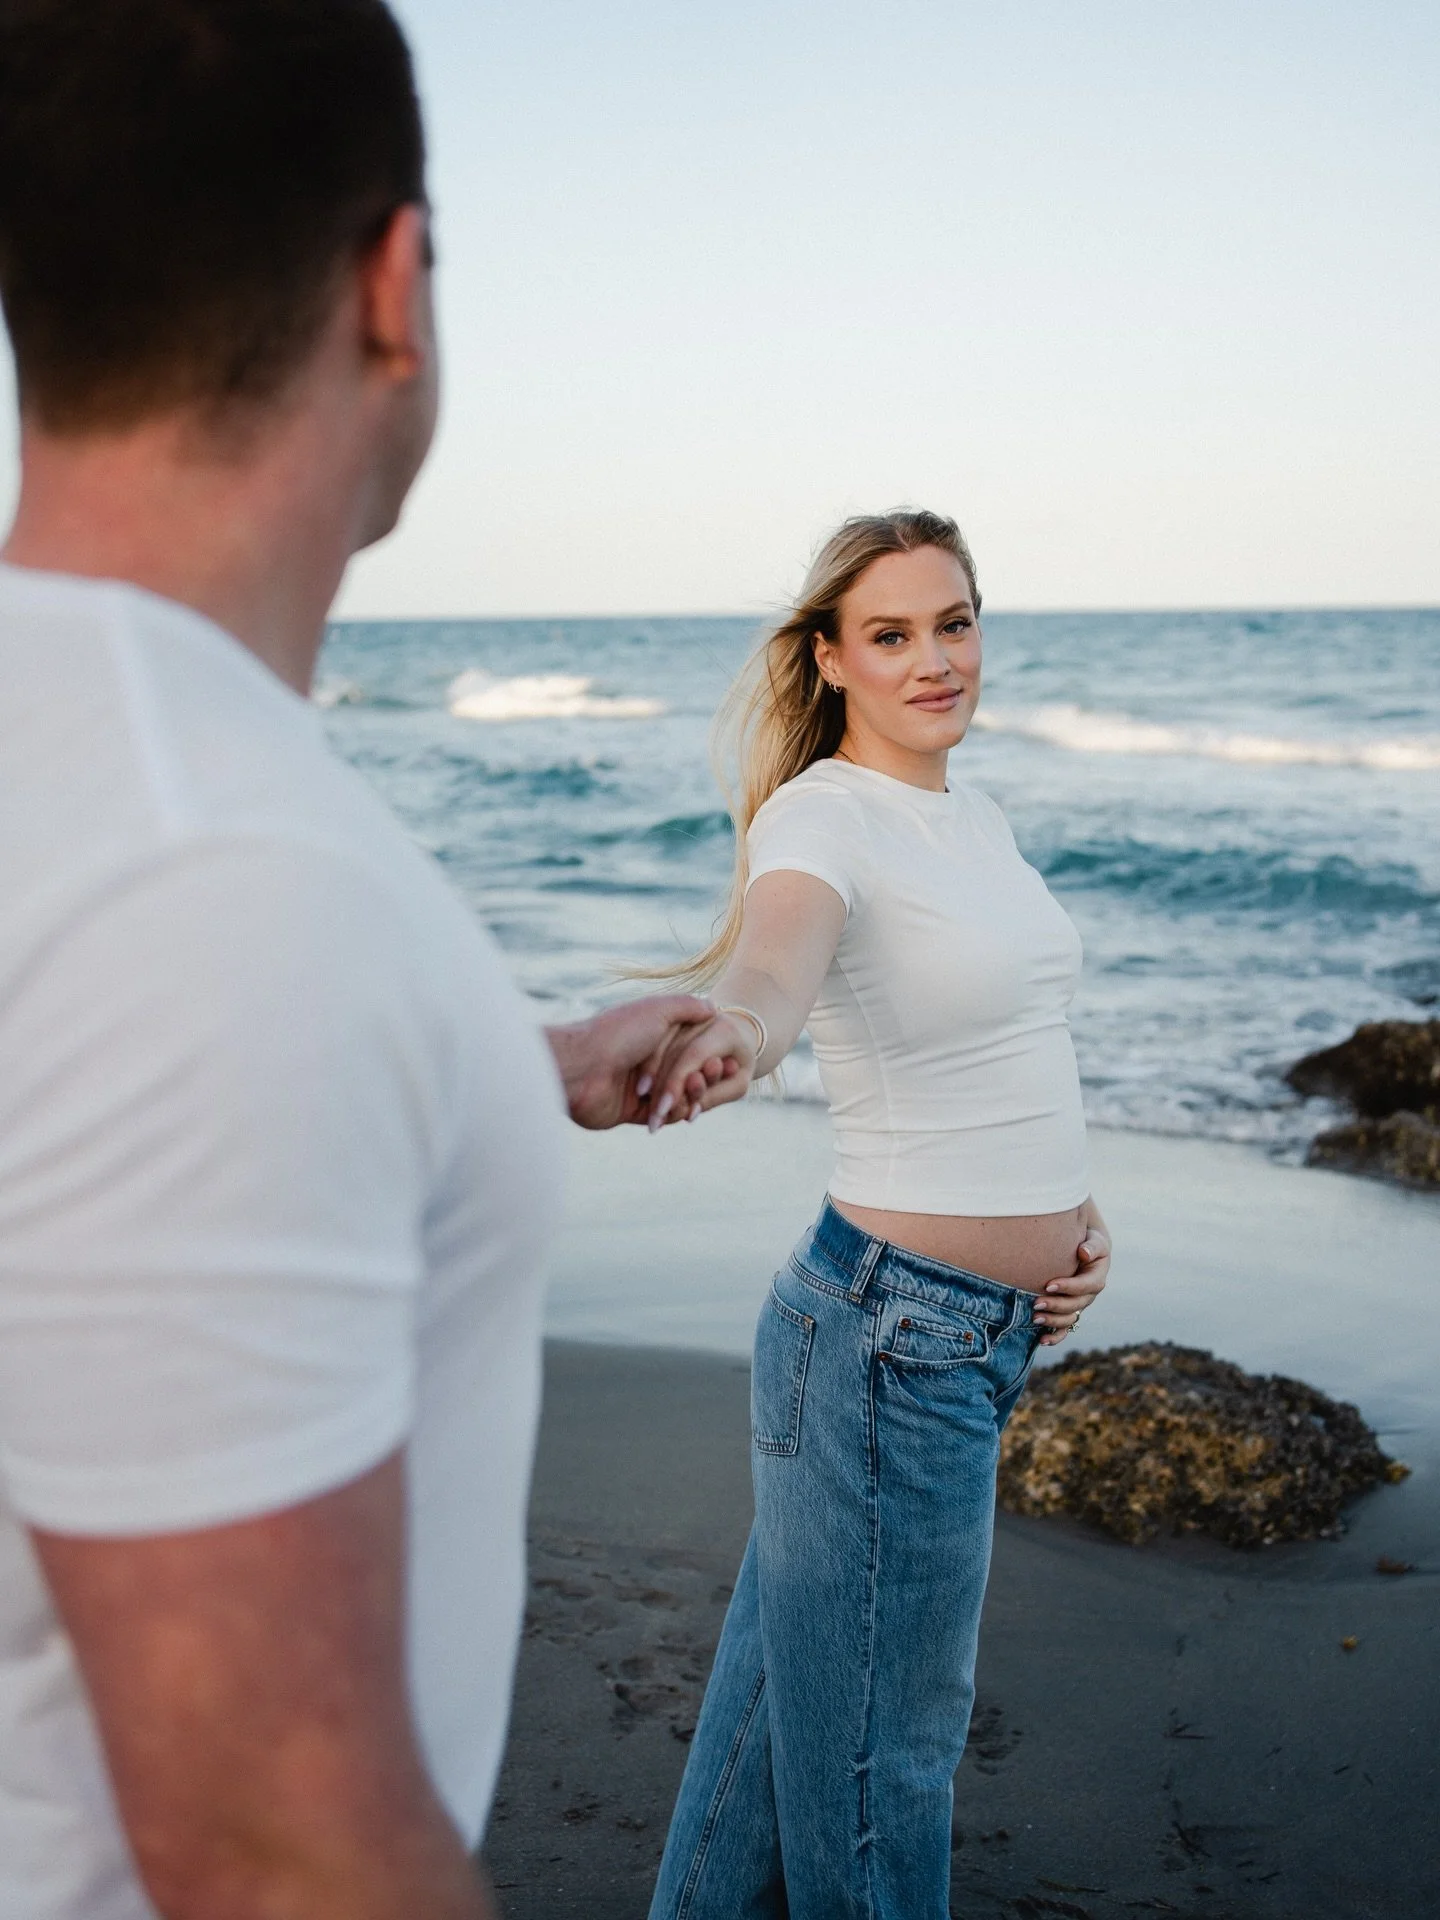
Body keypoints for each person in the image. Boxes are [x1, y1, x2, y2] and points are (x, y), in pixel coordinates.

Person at [0, 5, 743, 1917]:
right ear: (394, 283)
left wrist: (524, 1058)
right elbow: (275, 1850)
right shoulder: (214, 880)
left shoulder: (98, 782)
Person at [637, 510, 1113, 1919]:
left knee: (767, 1756)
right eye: (891, 634)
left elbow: (1008, 1040)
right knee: (880, 1774)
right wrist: (738, 1033)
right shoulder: (821, 814)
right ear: (834, 660)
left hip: (962, 1333)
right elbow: (779, 966)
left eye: (954, 623)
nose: (933, 660)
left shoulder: (977, 815)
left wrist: (1070, 1212)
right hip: (888, 1344)